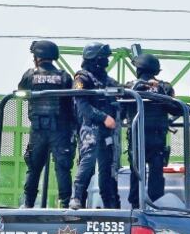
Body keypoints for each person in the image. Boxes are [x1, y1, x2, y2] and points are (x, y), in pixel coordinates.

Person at [18, 40, 75, 208]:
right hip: (60, 130)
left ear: (38, 57)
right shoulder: (64, 77)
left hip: (38, 130)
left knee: (34, 168)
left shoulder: (30, 75)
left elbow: (21, 90)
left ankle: (28, 204)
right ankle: (65, 205)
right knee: (62, 168)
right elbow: (70, 104)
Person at [125, 52, 180, 209]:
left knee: (136, 172)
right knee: (156, 173)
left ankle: (136, 205)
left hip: (137, 138)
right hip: (157, 139)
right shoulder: (164, 88)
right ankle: (155, 206)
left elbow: (120, 109)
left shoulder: (130, 87)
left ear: (139, 69)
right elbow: (176, 109)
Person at [70, 43, 120, 210]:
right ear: (94, 59)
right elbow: (83, 105)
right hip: (90, 127)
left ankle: (110, 205)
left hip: (108, 131)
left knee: (108, 168)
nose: (106, 61)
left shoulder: (107, 80)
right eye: (103, 58)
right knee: (88, 162)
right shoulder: (82, 78)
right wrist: (103, 117)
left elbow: (121, 92)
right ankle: (77, 197)